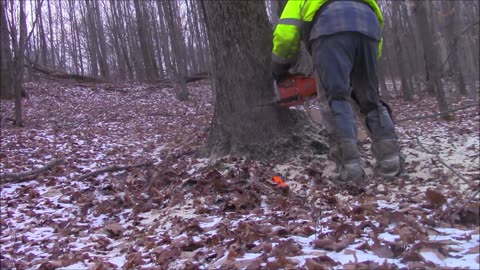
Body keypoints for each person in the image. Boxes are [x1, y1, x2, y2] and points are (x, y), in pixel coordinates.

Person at [271, 0, 403, 184]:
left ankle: (349, 168)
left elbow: (285, 35)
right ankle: (391, 162)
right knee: (370, 99)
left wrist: (279, 67)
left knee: (336, 98)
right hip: (369, 28)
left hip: (329, 28)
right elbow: (377, 24)